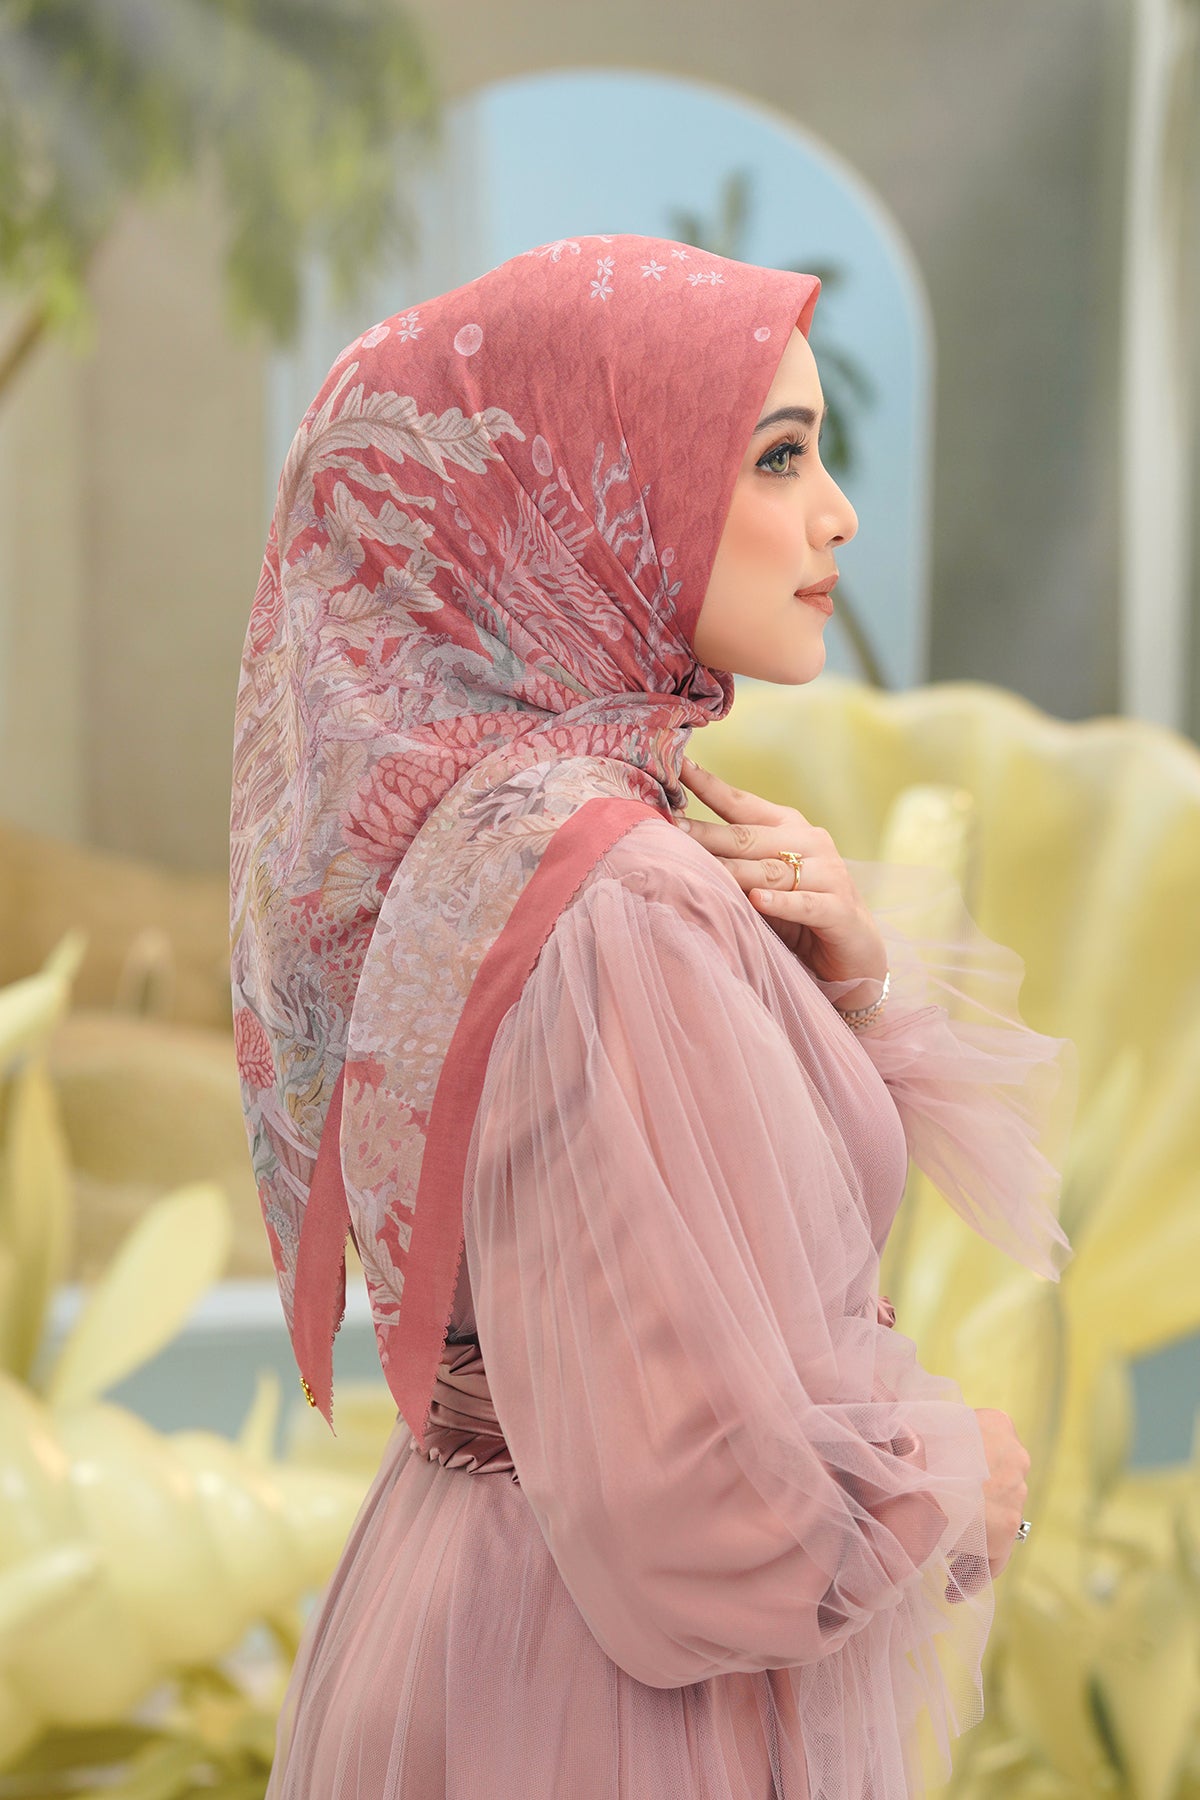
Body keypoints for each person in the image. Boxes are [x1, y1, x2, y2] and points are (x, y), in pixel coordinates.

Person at [229, 233, 1077, 1799]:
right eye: (777, 457)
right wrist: (954, 1488)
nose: (836, 513)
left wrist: (838, 988)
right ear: (592, 500)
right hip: (598, 1707)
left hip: (478, 1616)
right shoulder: (613, 892)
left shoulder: (497, 834)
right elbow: (689, 1508)